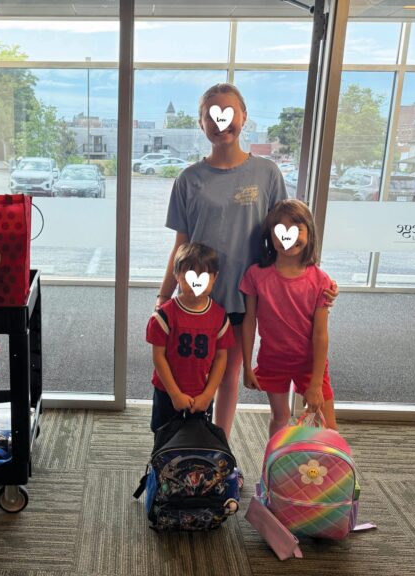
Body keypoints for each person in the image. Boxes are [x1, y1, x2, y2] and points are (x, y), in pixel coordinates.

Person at [157, 82, 338, 438]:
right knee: (190, 373)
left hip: (246, 299)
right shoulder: (188, 180)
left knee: (227, 377)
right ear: (201, 123)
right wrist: (164, 296)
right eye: (210, 115)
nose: (219, 122)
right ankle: (187, 446)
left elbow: (288, 235)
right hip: (197, 299)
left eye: (227, 113)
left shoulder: (266, 173)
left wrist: (318, 281)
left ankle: (218, 449)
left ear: (243, 118)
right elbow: (181, 243)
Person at [240, 199, 337, 437]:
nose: (288, 238)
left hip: (310, 363)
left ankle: (323, 474)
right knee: (279, 418)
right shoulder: (256, 275)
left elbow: (320, 334)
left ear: (309, 233)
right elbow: (249, 321)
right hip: (273, 360)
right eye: (279, 230)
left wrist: (315, 384)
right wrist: (246, 366)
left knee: (328, 428)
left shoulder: (320, 281)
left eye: (296, 229)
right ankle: (272, 470)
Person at [147, 243, 235, 433]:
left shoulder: (219, 317)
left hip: (201, 394)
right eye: (189, 277)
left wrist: (209, 394)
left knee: (197, 439)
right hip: (167, 392)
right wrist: (175, 394)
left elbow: (221, 358)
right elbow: (158, 357)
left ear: (215, 278)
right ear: (177, 275)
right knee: (164, 439)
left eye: (204, 277)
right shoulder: (164, 316)